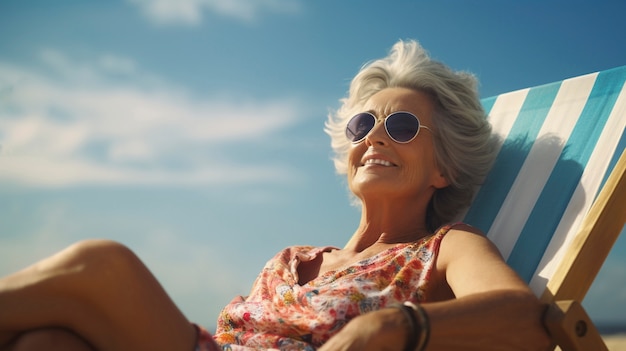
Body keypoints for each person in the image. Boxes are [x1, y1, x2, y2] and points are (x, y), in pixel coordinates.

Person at [0, 40, 551, 351]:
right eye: (363, 125)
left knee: (105, 266)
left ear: (444, 168)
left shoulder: (444, 247)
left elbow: (524, 319)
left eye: (404, 127)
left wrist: (396, 324)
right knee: (47, 344)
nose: (376, 136)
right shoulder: (292, 260)